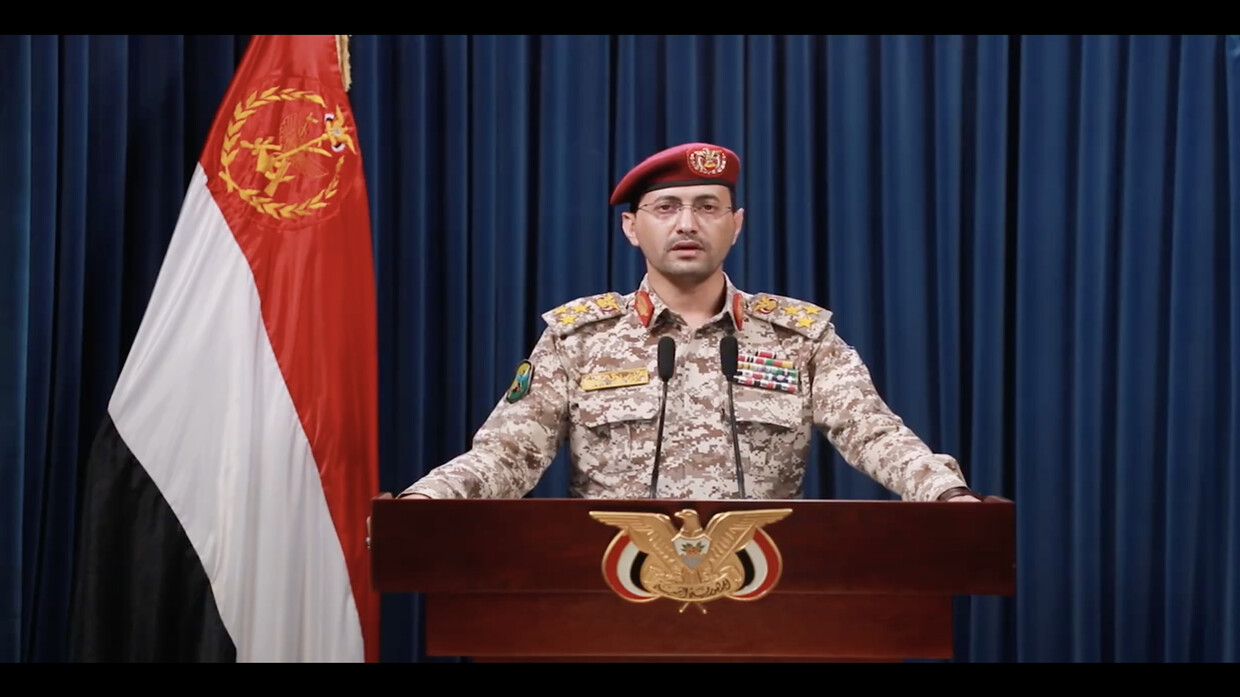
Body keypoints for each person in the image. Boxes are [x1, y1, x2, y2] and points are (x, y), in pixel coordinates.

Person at [396, 142, 981, 503]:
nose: (686, 224)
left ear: (735, 224)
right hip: (612, 591)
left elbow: (874, 435)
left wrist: (946, 493)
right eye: (666, 207)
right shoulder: (580, 340)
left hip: (763, 593)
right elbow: (506, 454)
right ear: (632, 228)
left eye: (707, 207)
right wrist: (427, 500)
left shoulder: (799, 340)